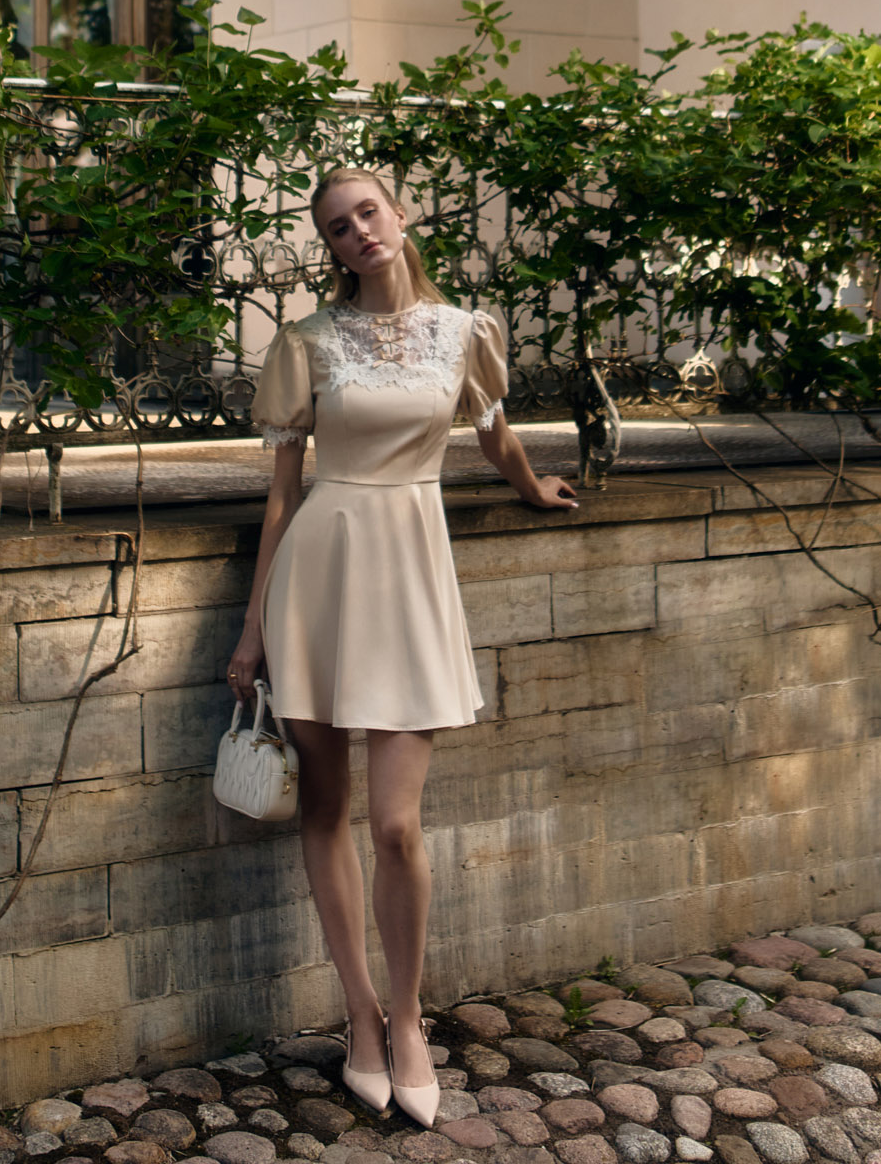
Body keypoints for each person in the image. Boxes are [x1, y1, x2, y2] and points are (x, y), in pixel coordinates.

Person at [226, 167, 578, 1127]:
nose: (357, 235)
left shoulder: (467, 332)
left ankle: (412, 1017)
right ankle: (361, 1019)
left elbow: (495, 429)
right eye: (337, 229)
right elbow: (280, 498)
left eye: (367, 214)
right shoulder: (305, 344)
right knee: (327, 808)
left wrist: (532, 485)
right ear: (330, 247)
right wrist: (254, 627)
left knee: (395, 825)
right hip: (318, 577)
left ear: (401, 213)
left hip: (412, 575)